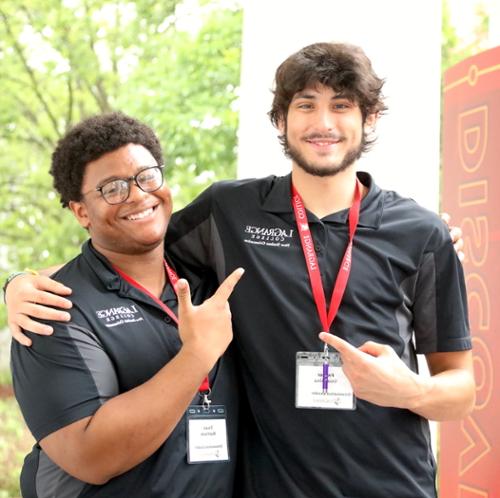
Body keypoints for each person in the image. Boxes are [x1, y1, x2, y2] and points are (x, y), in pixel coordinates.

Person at [5, 42, 474, 497]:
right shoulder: (228, 212)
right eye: (306, 105)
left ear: (368, 118)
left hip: (393, 484)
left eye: (343, 105)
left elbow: (461, 388)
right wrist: (22, 282)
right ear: (280, 120)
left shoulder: (421, 233)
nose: (323, 123)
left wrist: (408, 389)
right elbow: (130, 245)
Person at [8, 112, 244, 497]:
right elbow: (90, 455)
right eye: (112, 188)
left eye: (147, 176)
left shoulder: (204, 280)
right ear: (81, 211)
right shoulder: (52, 308)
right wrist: (197, 356)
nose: (138, 195)